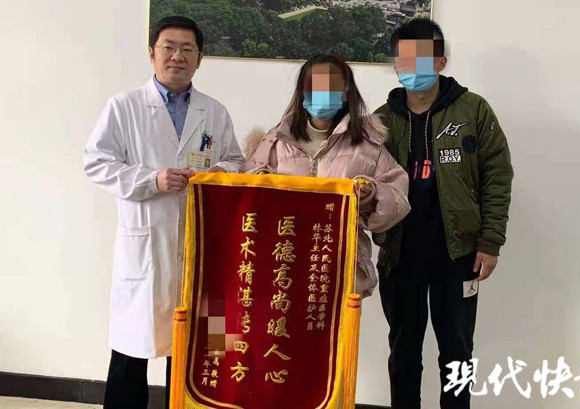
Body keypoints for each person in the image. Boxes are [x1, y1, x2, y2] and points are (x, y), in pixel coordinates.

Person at [82, 16, 244, 409]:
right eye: (168, 47)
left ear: (200, 59)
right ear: (151, 54)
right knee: (130, 353)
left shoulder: (214, 111)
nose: (177, 56)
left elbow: (236, 163)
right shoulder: (124, 107)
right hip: (146, 248)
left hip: (204, 249)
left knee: (200, 352)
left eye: (188, 49)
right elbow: (96, 163)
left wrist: (212, 175)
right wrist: (153, 180)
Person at [374, 18, 514, 409]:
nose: (412, 68)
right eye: (405, 59)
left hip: (459, 254)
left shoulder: (473, 110)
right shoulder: (382, 120)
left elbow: (497, 176)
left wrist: (490, 241)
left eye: (422, 59)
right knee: (403, 350)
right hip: (400, 254)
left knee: (457, 350)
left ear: (441, 62)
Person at [244, 54, 410, 297]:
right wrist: (260, 183)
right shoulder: (275, 141)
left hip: (341, 271)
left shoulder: (367, 145)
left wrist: (370, 193)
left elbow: (398, 199)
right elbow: (245, 197)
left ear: (345, 93)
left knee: (334, 322)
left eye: (331, 86)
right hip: (282, 267)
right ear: (302, 91)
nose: (322, 93)